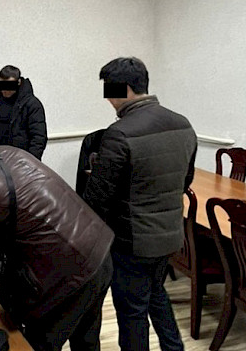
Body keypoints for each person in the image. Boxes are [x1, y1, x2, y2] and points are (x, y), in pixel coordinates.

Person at [0, 142, 114, 351]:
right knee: (86, 340)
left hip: (69, 276)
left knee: (33, 344)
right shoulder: (6, 152)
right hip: (99, 250)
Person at [82, 57, 197, 351]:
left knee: (132, 312)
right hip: (170, 236)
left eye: (110, 91)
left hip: (131, 242)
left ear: (126, 88)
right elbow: (185, 181)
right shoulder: (183, 124)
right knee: (156, 294)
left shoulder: (120, 133)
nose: (108, 99)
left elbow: (97, 199)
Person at [0, 65, 47, 160]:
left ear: (18, 82)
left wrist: (29, 162)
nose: (4, 90)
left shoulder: (32, 104)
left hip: (20, 160)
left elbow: (38, 138)